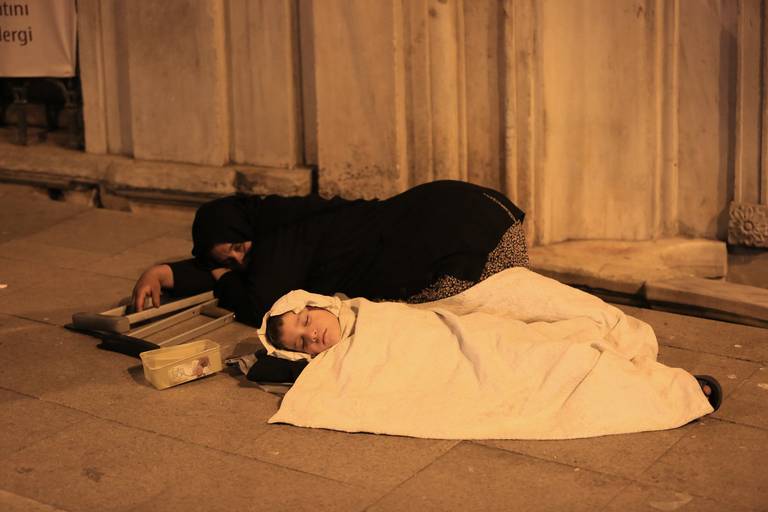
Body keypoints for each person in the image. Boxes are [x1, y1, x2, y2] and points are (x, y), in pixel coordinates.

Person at [131, 180, 529, 327]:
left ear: (245, 230)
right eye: (227, 261)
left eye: (238, 247)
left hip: (472, 240)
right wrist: (163, 272)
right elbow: (240, 267)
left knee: (450, 320)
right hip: (488, 212)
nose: (239, 261)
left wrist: (222, 279)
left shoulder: (281, 240)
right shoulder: (276, 220)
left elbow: (260, 305)